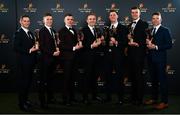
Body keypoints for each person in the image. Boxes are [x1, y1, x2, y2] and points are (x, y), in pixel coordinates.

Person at [144, 12, 172, 110]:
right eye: (153, 18)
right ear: (151, 20)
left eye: (157, 18)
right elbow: (149, 43)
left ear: (161, 19)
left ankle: (164, 102)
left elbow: (169, 45)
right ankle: (154, 98)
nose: (155, 20)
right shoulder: (150, 30)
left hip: (160, 60)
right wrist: (148, 44)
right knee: (153, 80)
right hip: (150, 59)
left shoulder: (165, 30)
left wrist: (155, 47)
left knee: (162, 81)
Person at [13, 15, 38, 111]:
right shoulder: (18, 33)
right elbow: (16, 47)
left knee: (28, 83)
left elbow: (33, 47)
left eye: (28, 21)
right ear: (21, 22)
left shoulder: (31, 33)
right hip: (23, 63)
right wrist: (29, 50)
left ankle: (26, 100)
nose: (27, 22)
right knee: (23, 83)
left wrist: (35, 48)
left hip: (31, 62)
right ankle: (21, 104)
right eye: (25, 21)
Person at [104, 10, 128, 105]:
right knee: (108, 77)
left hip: (119, 57)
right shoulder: (106, 28)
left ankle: (120, 98)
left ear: (117, 16)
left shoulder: (123, 28)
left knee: (119, 77)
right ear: (109, 17)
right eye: (111, 15)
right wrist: (105, 43)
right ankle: (108, 97)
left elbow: (126, 42)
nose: (112, 16)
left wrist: (116, 42)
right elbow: (104, 43)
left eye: (114, 15)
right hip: (108, 57)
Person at [58, 13, 83, 106]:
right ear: (65, 20)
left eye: (72, 19)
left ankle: (72, 97)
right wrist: (73, 48)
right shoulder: (61, 31)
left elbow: (77, 43)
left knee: (73, 79)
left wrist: (79, 46)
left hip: (75, 59)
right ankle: (65, 99)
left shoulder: (75, 31)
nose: (70, 21)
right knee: (66, 79)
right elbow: (61, 45)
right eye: (68, 19)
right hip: (66, 59)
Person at [81, 13, 104, 104]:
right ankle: (85, 97)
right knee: (87, 78)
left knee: (95, 77)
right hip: (87, 58)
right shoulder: (83, 30)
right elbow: (82, 44)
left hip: (97, 58)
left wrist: (102, 42)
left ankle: (94, 95)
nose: (92, 20)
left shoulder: (98, 30)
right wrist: (91, 45)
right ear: (87, 20)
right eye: (90, 19)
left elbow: (99, 44)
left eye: (94, 19)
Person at [127, 7, 148, 105]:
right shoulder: (130, 25)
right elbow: (129, 39)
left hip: (139, 54)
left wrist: (136, 43)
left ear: (139, 13)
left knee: (139, 77)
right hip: (130, 55)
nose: (134, 14)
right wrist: (129, 40)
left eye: (136, 12)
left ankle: (139, 99)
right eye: (132, 12)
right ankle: (133, 97)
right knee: (132, 76)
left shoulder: (144, 24)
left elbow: (146, 39)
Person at [39, 13, 60, 108]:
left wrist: (58, 48)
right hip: (45, 60)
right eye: (47, 19)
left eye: (51, 19)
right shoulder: (41, 31)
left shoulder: (53, 31)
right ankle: (42, 102)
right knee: (43, 81)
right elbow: (42, 47)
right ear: (44, 21)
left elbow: (55, 44)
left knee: (51, 80)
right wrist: (52, 53)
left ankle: (50, 98)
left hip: (53, 60)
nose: (50, 21)